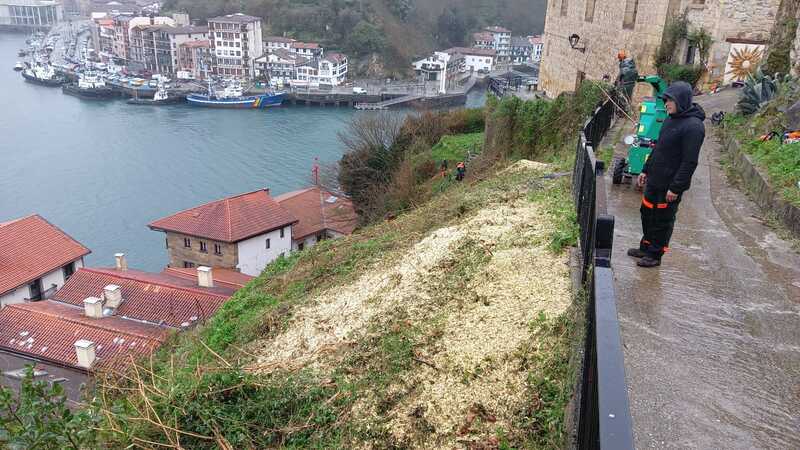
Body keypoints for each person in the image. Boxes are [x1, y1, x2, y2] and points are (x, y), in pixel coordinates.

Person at [628, 81, 706, 268]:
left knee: (662, 220)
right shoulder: (670, 119)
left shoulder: (693, 127)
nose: (666, 105)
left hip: (669, 184)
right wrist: (645, 170)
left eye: (669, 101)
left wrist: (676, 187)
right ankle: (645, 247)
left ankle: (655, 254)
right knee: (647, 213)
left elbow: (689, 162)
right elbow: (658, 148)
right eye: (665, 100)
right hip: (655, 178)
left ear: (680, 100)